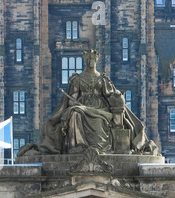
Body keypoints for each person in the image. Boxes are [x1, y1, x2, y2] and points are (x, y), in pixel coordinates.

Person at [23, 49, 157, 156]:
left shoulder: (102, 79)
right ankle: (78, 146)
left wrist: (117, 97)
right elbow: (72, 98)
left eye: (92, 59)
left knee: (98, 119)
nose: (90, 62)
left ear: (96, 61)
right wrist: (74, 103)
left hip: (99, 109)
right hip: (81, 106)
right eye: (88, 59)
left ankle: (100, 147)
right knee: (75, 113)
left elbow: (110, 96)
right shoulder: (78, 79)